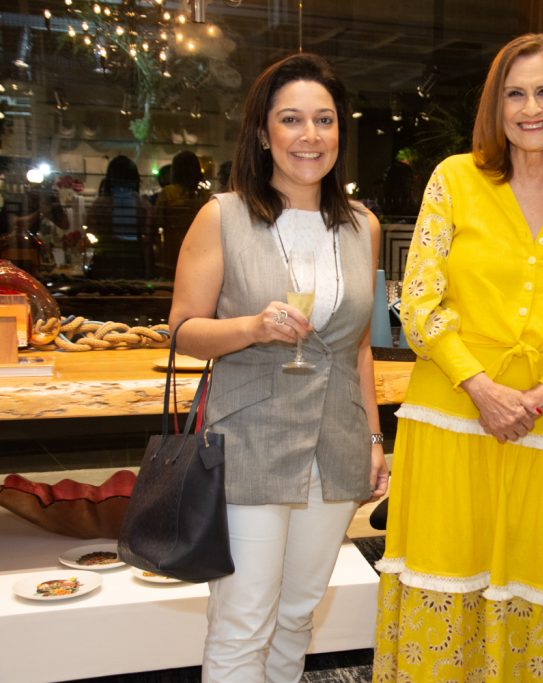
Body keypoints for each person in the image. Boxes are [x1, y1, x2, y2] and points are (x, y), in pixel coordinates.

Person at [372, 33, 543, 682]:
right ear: (496, 106)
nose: (530, 107)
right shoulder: (455, 180)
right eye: (515, 94)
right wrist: (481, 386)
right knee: (449, 583)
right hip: (451, 422)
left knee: (534, 592)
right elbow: (421, 301)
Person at [167, 52, 389, 682]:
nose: (309, 135)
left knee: (297, 613)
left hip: (337, 443)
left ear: (340, 132)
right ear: (264, 133)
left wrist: (375, 439)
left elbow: (358, 349)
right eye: (292, 119)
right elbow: (184, 331)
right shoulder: (225, 217)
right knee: (243, 620)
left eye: (324, 120)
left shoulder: (361, 226)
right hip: (251, 443)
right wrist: (253, 327)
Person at [85, 155, 153, 279]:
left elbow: (91, 235)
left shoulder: (100, 205)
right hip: (134, 266)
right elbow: (146, 242)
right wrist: (148, 273)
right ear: (135, 179)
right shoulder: (143, 206)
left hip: (105, 265)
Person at [155, 150, 211, 276]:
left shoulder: (167, 193)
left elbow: (158, 221)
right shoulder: (204, 196)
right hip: (199, 249)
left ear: (175, 171)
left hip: (172, 249)